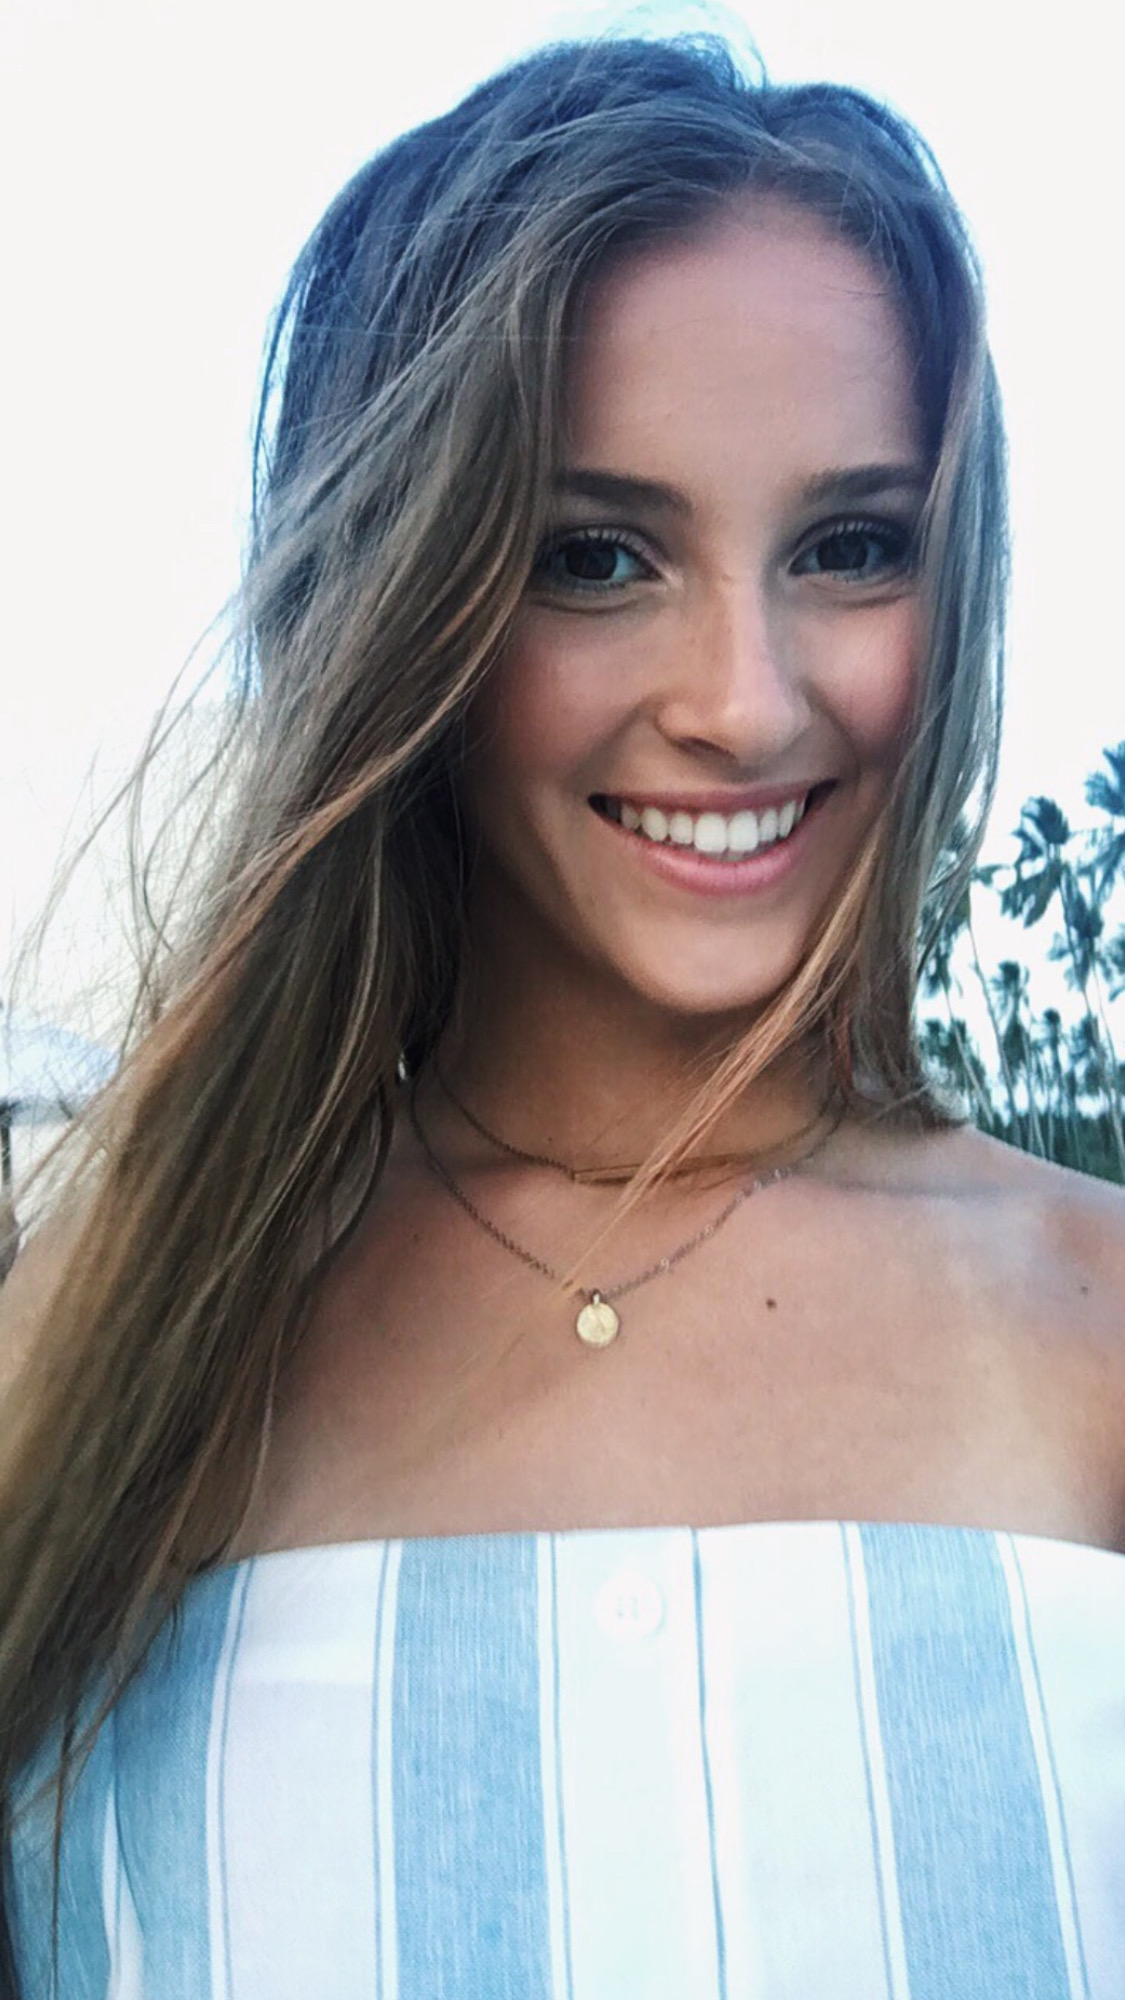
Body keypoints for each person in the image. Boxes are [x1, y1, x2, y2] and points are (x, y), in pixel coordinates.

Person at [2, 28, 1124, 1997]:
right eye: (594, 556)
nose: (746, 700)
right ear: (403, 598)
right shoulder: (92, 1363)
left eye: (850, 546)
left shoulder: (1095, 1333)